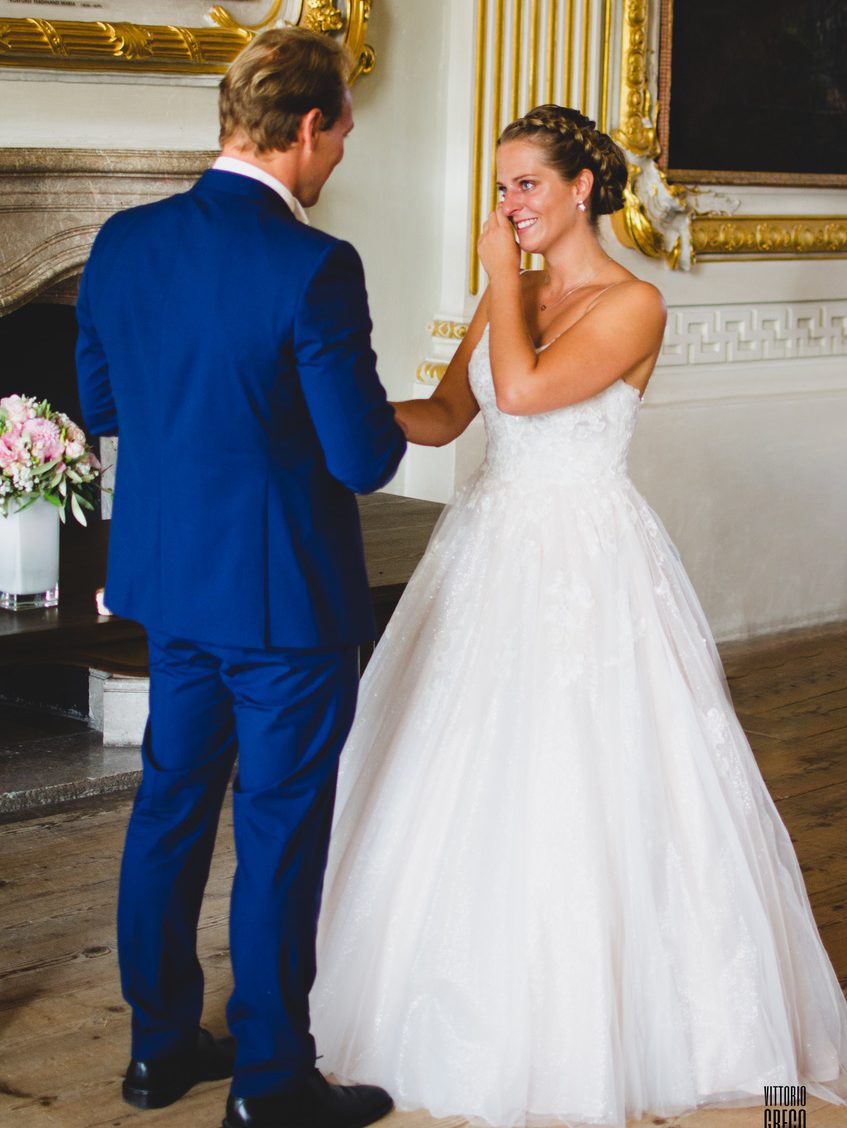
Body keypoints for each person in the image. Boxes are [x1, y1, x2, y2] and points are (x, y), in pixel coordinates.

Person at [309, 105, 847, 1127]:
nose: (506, 204)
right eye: (501, 185)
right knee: (450, 763)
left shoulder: (632, 304)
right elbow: (445, 415)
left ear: (580, 190)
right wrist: (330, 404)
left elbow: (520, 391)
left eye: (524, 185)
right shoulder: (505, 288)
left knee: (584, 775)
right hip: (481, 551)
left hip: (585, 563)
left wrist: (499, 282)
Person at [75, 27, 405, 1128]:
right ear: (307, 127)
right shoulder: (314, 265)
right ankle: (271, 1084)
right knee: (275, 830)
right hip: (283, 608)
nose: (342, 151)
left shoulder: (121, 242)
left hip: (170, 585)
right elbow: (363, 458)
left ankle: (158, 1053)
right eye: (343, 130)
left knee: (169, 808)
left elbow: (109, 409)